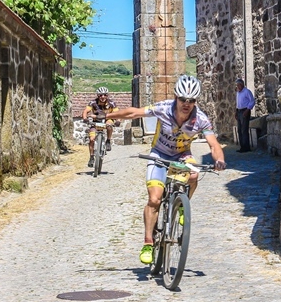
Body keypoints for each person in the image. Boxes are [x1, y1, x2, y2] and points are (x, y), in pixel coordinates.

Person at [105, 75, 226, 264]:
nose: (186, 104)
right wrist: (110, 115)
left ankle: (182, 206)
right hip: (159, 155)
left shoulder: (200, 119)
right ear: (176, 97)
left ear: (196, 101)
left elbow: (214, 144)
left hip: (182, 155)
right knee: (154, 199)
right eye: (183, 99)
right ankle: (148, 243)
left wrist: (219, 159)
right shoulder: (163, 108)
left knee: (194, 174)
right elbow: (134, 113)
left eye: (191, 100)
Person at [82, 86, 118, 168]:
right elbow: (85, 111)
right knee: (91, 139)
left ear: (107, 95)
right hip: (95, 122)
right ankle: (91, 157)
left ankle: (108, 141)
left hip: (107, 120)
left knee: (109, 124)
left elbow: (117, 113)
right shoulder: (92, 103)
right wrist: (85, 118)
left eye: (105, 95)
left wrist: (118, 120)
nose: (103, 97)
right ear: (98, 96)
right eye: (100, 95)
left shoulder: (111, 103)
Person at [235, 78, 255, 152]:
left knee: (244, 130)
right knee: (239, 130)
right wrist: (236, 112)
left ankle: (246, 147)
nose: (237, 87)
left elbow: (252, 101)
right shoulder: (238, 92)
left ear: (242, 85)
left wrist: (247, 110)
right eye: (237, 86)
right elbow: (238, 103)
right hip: (239, 111)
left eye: (238, 85)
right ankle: (242, 146)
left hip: (245, 111)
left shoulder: (247, 92)